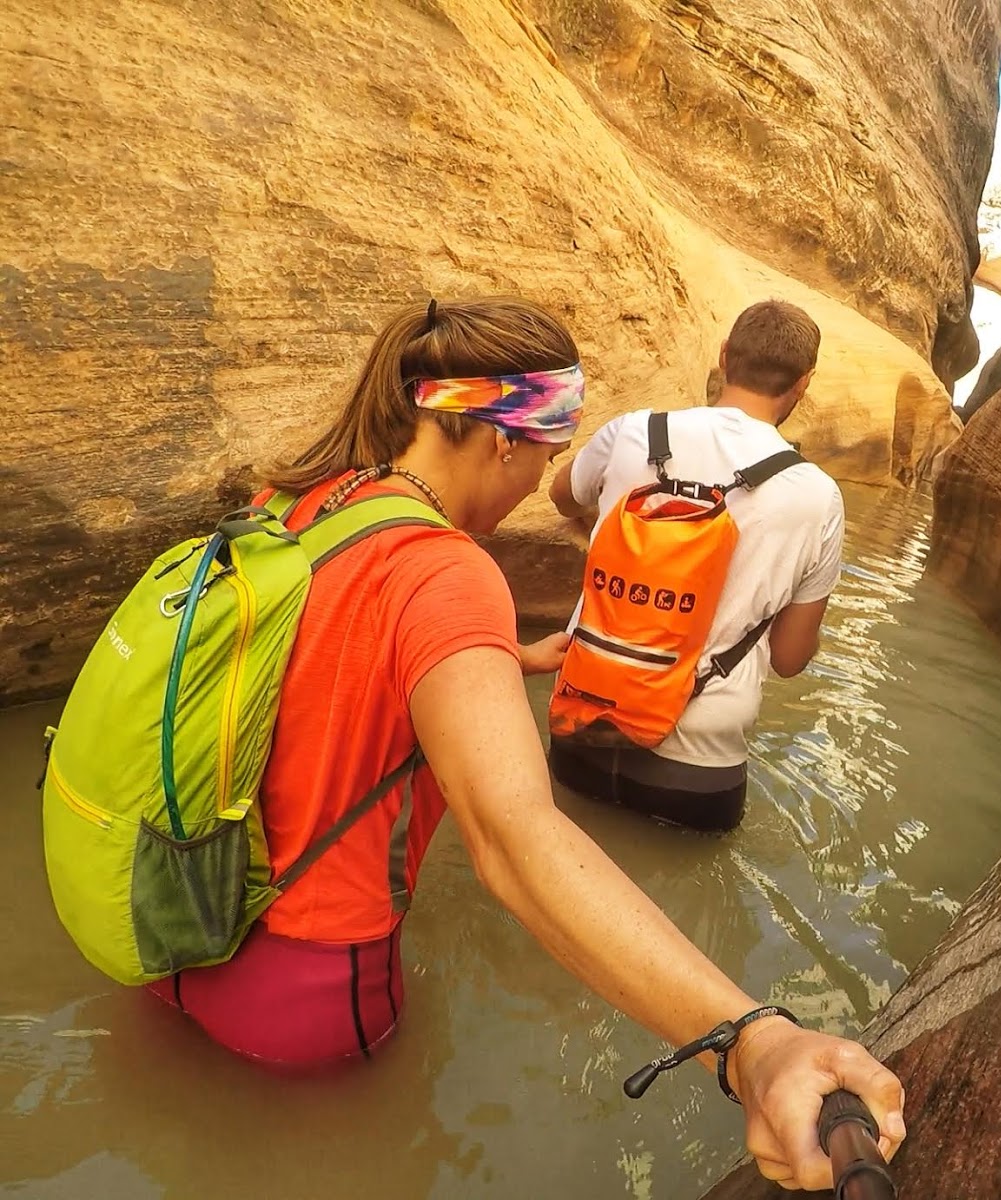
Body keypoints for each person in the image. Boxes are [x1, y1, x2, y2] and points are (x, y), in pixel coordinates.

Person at [144, 297, 902, 1192]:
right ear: (505, 439)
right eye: (548, 450)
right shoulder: (448, 569)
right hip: (312, 998)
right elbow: (514, 843)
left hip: (173, 934)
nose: (546, 477)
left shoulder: (302, 499)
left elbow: (322, 670)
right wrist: (752, 1042)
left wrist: (501, 659)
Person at [548, 300, 845, 832]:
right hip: (699, 766)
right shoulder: (817, 496)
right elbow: (790, 658)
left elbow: (563, 496)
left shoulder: (636, 432)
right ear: (803, 383)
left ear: (726, 356)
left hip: (585, 724)